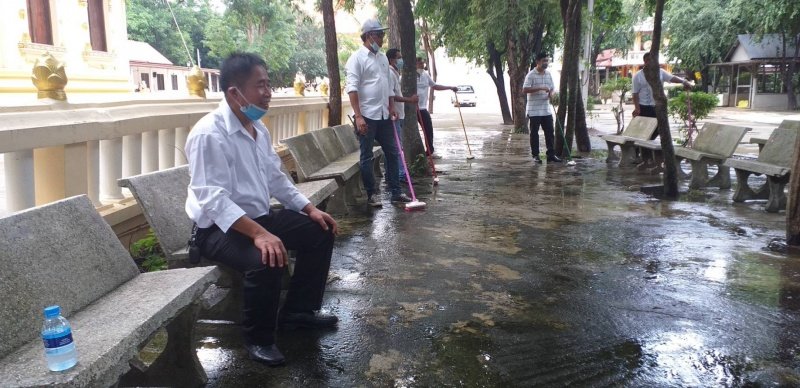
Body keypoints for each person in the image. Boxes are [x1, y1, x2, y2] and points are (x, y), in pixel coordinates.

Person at [185, 52, 339, 367]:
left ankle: (298, 312)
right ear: (234, 92)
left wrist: (309, 209)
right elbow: (213, 200)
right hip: (217, 229)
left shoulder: (258, 128)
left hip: (257, 219)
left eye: (268, 84)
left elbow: (276, 178)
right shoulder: (208, 134)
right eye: (261, 85)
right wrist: (260, 235)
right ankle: (259, 339)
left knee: (320, 230)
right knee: (266, 258)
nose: (268, 92)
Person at [345, 19, 412, 207]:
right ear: (368, 36)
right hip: (367, 116)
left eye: (382, 34)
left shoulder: (382, 58)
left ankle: (396, 193)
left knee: (392, 152)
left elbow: (388, 87)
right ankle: (371, 193)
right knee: (366, 156)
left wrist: (391, 108)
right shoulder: (356, 59)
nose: (382, 38)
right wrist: (358, 116)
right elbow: (352, 89)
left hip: (384, 116)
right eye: (378, 34)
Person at [632, 52, 692, 140]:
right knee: (643, 130)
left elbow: (671, 78)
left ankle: (649, 145)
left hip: (657, 106)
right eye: (649, 60)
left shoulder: (660, 72)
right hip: (643, 107)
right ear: (645, 61)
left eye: (653, 60)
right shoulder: (637, 76)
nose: (651, 62)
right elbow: (635, 93)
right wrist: (637, 108)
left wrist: (684, 81)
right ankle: (641, 149)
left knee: (659, 128)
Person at [386, 48, 418, 183]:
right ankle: (399, 175)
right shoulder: (390, 74)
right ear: (392, 59)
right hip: (395, 115)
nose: (401, 60)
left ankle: (394, 174)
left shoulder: (395, 73)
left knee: (397, 146)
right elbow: (392, 96)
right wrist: (409, 100)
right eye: (398, 58)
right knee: (398, 147)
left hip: (400, 114)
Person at [415, 57, 458, 159]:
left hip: (422, 108)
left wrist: (450, 87)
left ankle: (429, 151)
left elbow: (435, 86)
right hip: (411, 109)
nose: (422, 65)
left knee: (428, 129)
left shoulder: (425, 75)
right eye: (419, 64)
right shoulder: (408, 76)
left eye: (423, 63)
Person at [522, 52, 560, 163]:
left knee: (549, 132)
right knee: (534, 134)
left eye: (547, 61)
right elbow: (525, 89)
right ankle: (535, 155)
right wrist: (540, 88)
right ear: (537, 62)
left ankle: (551, 155)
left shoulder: (548, 74)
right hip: (534, 110)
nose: (546, 63)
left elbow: (552, 88)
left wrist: (551, 94)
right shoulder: (531, 75)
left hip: (546, 109)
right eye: (543, 61)